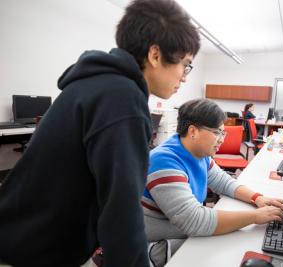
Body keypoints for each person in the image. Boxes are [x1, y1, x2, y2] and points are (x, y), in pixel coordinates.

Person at [0, 0, 200, 266]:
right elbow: (122, 213)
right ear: (155, 55)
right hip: (31, 251)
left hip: (21, 233)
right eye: (185, 65)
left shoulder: (96, 84)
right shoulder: (123, 98)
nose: (185, 77)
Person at [142, 99, 283, 267]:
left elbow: (223, 182)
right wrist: (255, 217)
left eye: (223, 133)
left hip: (184, 232)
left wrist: (258, 198)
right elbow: (194, 220)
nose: (222, 140)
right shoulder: (165, 160)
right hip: (156, 247)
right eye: (218, 132)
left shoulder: (197, 152)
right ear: (193, 132)